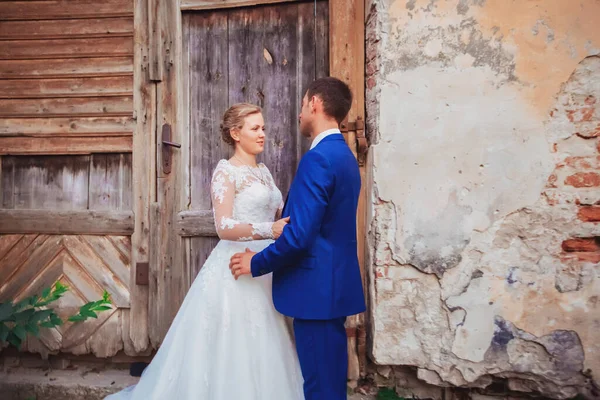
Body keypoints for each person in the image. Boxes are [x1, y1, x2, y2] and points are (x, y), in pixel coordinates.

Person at [105, 103, 303, 400]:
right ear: (236, 133)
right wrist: (269, 230)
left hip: (263, 264)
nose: (262, 134)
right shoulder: (226, 172)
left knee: (265, 337)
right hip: (235, 264)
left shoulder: (263, 172)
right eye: (255, 128)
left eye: (263, 127)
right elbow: (223, 226)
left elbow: (276, 212)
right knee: (233, 338)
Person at [230, 77, 366, 400]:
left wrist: (255, 262)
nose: (300, 113)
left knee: (320, 388)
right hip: (333, 288)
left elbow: (300, 237)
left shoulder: (318, 159)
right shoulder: (344, 156)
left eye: (304, 105)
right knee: (331, 385)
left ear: (315, 104)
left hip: (316, 294)